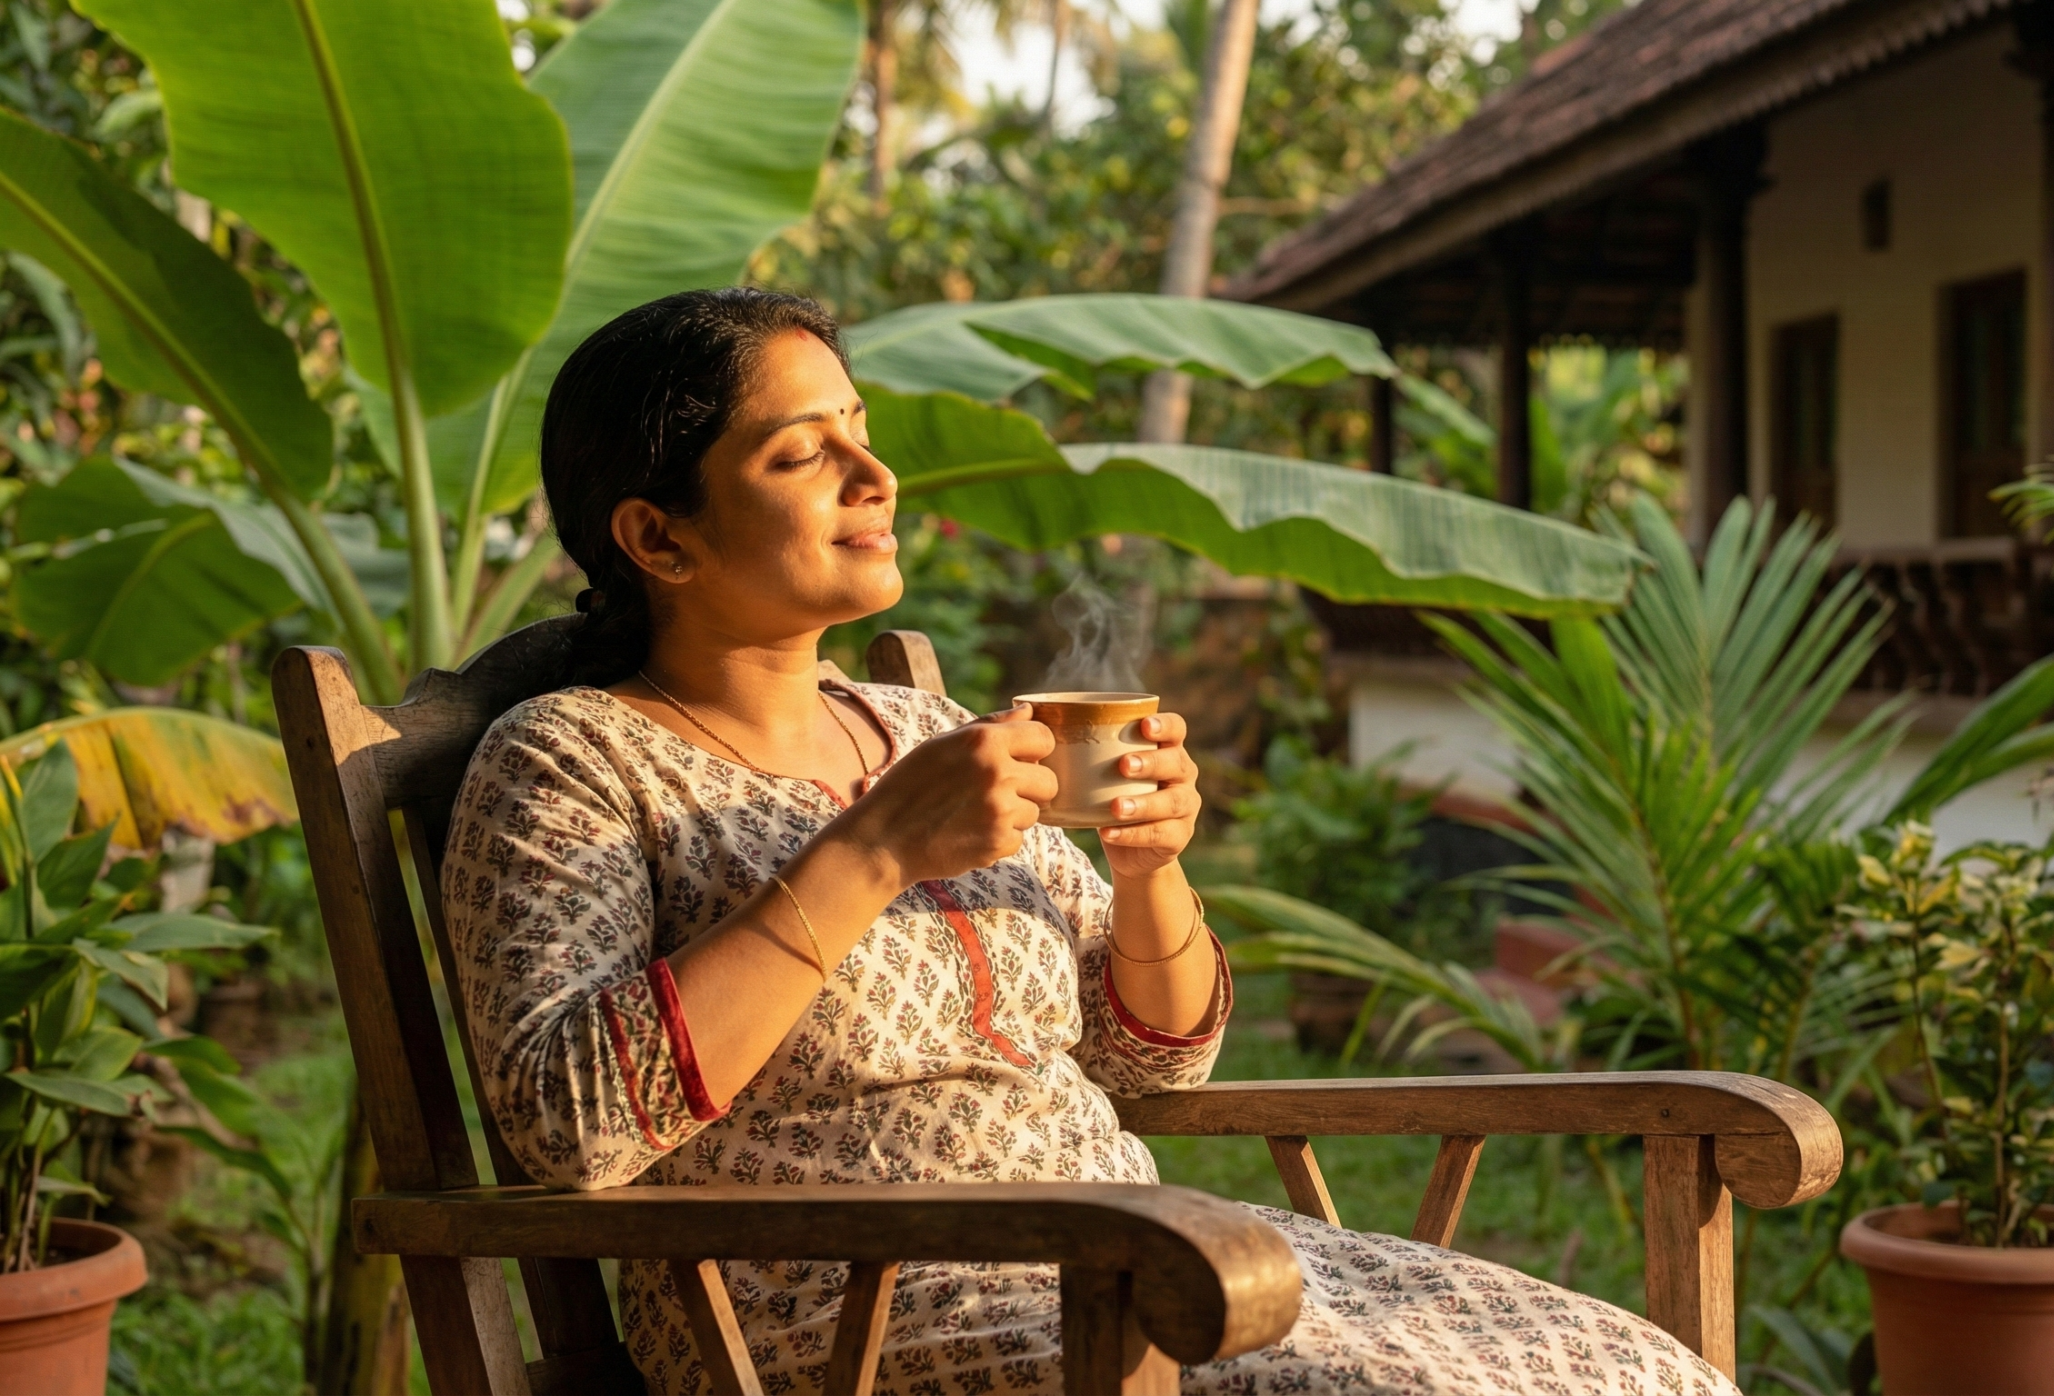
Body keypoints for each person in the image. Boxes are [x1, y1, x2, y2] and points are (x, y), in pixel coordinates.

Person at [442, 287, 1734, 1396]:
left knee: (1631, 1368)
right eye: (802, 453)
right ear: (656, 534)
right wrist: (875, 850)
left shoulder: (917, 724)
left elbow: (1146, 1061)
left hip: (1125, 1255)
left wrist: (1148, 866)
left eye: (864, 434)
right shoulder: (572, 761)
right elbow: (575, 1124)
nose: (874, 476)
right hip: (858, 1324)